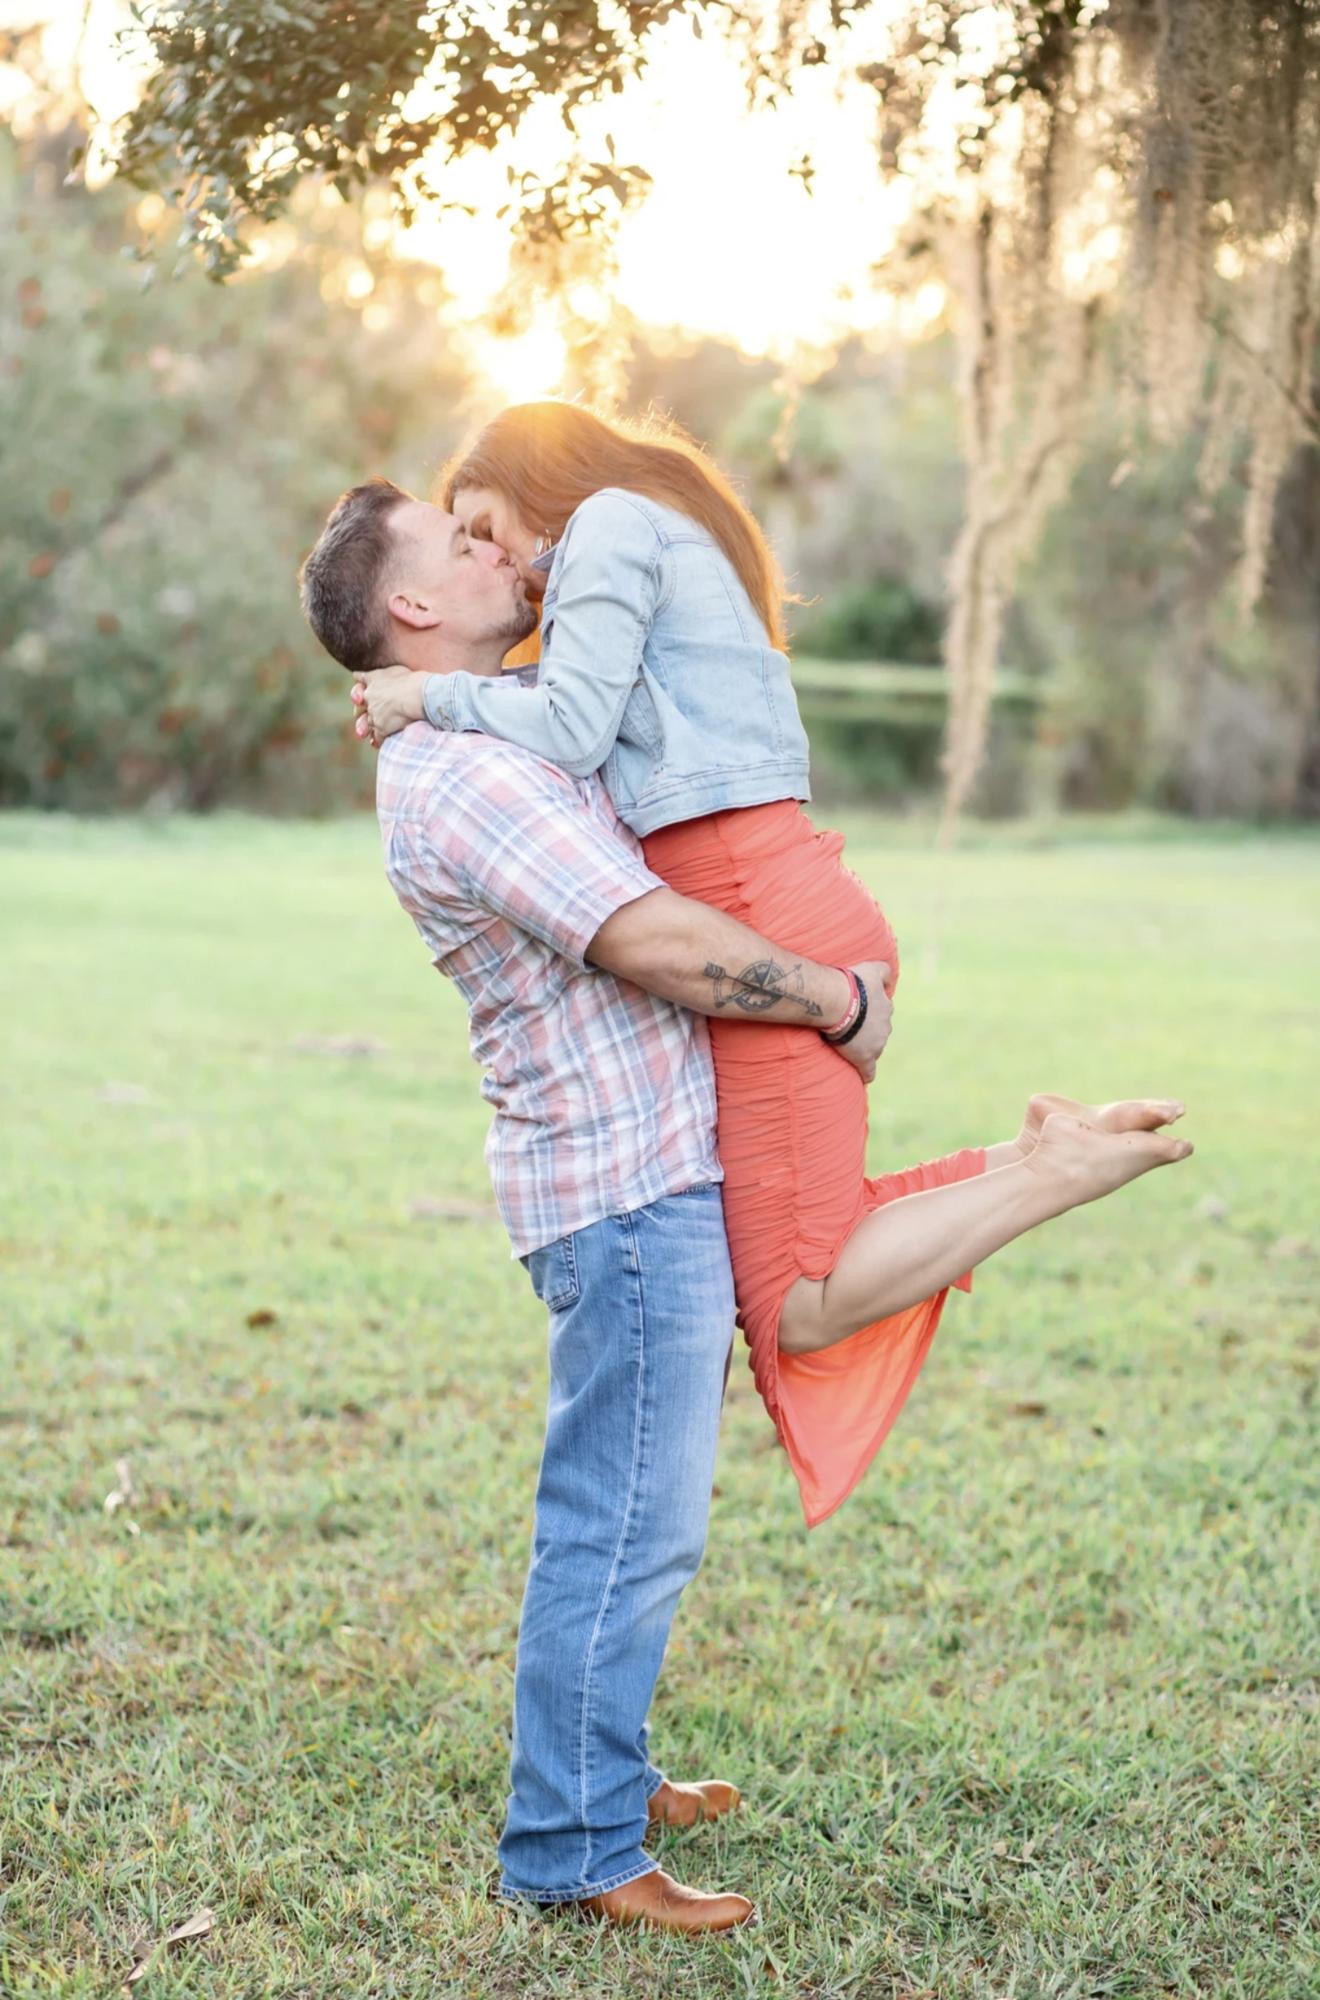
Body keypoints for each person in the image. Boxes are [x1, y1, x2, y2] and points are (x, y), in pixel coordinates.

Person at [351, 402, 1193, 1526]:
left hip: (752, 907)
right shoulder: (629, 530)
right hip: (764, 894)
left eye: (480, 520)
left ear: (531, 474)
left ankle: (1050, 1176)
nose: (491, 552)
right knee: (804, 1244)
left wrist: (426, 692)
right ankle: (1034, 1152)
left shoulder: (605, 523)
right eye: (458, 541)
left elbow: (573, 726)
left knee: (799, 1299)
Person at [299, 477, 895, 1934]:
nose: (499, 550)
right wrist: (835, 1000)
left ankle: (602, 1772)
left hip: (631, 1178)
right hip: (624, 1193)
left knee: (631, 1515)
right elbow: (646, 938)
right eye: (463, 543)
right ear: (415, 606)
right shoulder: (463, 777)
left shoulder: (486, 731)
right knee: (622, 1525)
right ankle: (569, 1849)